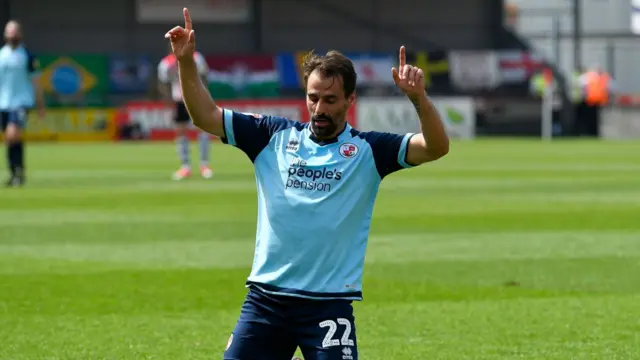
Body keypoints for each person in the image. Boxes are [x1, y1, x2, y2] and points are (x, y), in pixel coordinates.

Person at [165, 8, 450, 360]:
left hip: (327, 307)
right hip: (266, 301)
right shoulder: (272, 136)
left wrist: (419, 99)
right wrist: (186, 62)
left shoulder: (369, 150)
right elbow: (205, 116)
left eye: (330, 100)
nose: (319, 108)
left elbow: (436, 147)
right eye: (313, 98)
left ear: (350, 100)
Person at [157, 43, 213, 180]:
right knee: (180, 131)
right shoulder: (166, 64)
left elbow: (205, 77)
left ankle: (204, 165)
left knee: (203, 129)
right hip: (179, 100)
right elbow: (163, 84)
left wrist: (204, 95)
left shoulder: (196, 58)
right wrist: (168, 103)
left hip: (196, 98)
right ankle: (185, 166)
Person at [0, 20, 44, 187]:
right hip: (3, 103)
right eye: (9, 32)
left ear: (20, 34)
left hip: (21, 102)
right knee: (9, 139)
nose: (12, 35)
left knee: (13, 134)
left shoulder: (27, 56)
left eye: (14, 32)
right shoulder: (1, 55)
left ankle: (18, 172)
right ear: (5, 35)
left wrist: (40, 104)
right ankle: (14, 173)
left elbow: (36, 82)